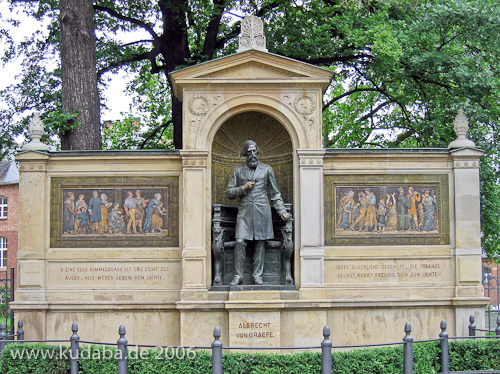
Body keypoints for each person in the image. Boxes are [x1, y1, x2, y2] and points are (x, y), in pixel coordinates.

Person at [226, 140, 292, 286]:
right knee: (240, 241)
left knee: (260, 243)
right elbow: (229, 193)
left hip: (262, 211)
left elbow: (275, 194)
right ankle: (238, 276)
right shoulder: (237, 170)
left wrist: (282, 211)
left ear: (258, 152)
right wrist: (242, 188)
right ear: (244, 154)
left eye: (254, 151)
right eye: (249, 152)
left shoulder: (267, 169)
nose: (252, 154)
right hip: (244, 213)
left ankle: (257, 275)